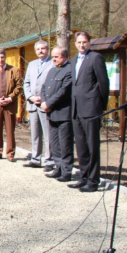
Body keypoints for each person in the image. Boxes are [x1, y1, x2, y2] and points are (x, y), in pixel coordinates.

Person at [70, 31, 109, 192]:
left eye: (84, 42)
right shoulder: (73, 61)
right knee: (81, 146)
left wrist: (101, 106)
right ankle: (83, 177)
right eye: (79, 42)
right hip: (76, 109)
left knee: (92, 146)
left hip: (91, 108)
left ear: (89, 42)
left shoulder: (95, 58)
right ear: (75, 43)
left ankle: (93, 181)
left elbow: (103, 83)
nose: (82, 45)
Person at [40, 47, 74, 182]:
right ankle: (58, 167)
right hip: (51, 113)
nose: (53, 59)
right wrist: (43, 102)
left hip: (63, 113)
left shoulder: (69, 70)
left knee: (65, 144)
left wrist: (48, 104)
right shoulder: (52, 70)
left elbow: (64, 91)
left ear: (64, 57)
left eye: (57, 57)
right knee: (54, 143)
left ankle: (66, 171)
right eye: (53, 57)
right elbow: (44, 88)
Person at [0, 48, 23, 162]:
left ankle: (10, 153)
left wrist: (10, 98)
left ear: (5, 57)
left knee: (10, 130)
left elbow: (19, 87)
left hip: (9, 105)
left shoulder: (14, 70)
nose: (0, 60)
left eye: (2, 57)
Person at [23, 40, 53, 169]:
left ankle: (49, 160)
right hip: (32, 104)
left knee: (48, 134)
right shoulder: (32, 64)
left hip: (45, 104)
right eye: (38, 49)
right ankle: (35, 158)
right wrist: (30, 97)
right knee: (35, 133)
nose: (40, 51)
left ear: (47, 49)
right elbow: (27, 83)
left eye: (43, 48)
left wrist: (44, 98)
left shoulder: (53, 63)